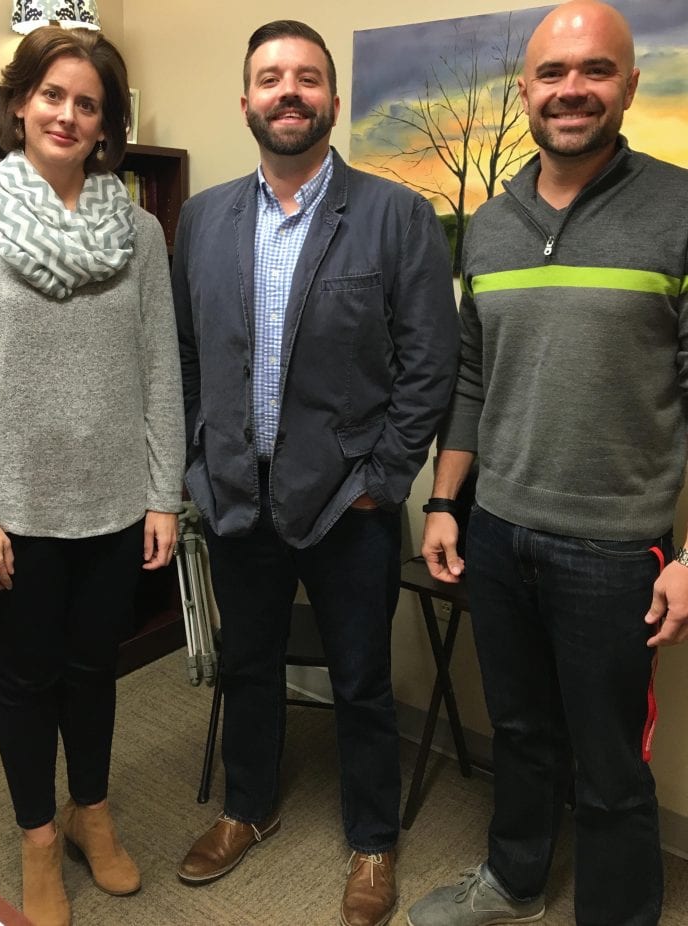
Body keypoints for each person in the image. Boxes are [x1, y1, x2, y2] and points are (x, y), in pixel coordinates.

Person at [171, 19, 459, 926]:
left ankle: (373, 841)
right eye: (269, 77)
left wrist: (383, 475)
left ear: (331, 101)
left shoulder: (395, 215)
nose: (287, 91)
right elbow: (184, 354)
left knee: (362, 678)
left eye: (305, 77)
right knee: (248, 666)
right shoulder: (202, 217)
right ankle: (246, 809)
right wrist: (194, 464)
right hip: (235, 499)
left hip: (349, 506)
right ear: (246, 100)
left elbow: (430, 365)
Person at [407, 2, 688, 925]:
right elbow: (474, 381)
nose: (572, 90)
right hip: (498, 535)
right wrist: (446, 505)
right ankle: (515, 882)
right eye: (553, 74)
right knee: (518, 734)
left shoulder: (678, 211)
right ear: (523, 89)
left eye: (595, 71)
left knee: (610, 764)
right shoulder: (488, 227)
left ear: (629, 85)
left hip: (617, 552)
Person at [0, 26, 184, 926]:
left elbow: (161, 368)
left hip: (113, 504)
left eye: (88, 103)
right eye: (53, 95)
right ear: (20, 104)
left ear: (106, 124)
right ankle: (39, 838)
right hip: (13, 511)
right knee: (26, 681)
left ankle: (91, 814)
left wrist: (162, 494)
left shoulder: (141, 230)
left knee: (94, 673)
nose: (68, 115)